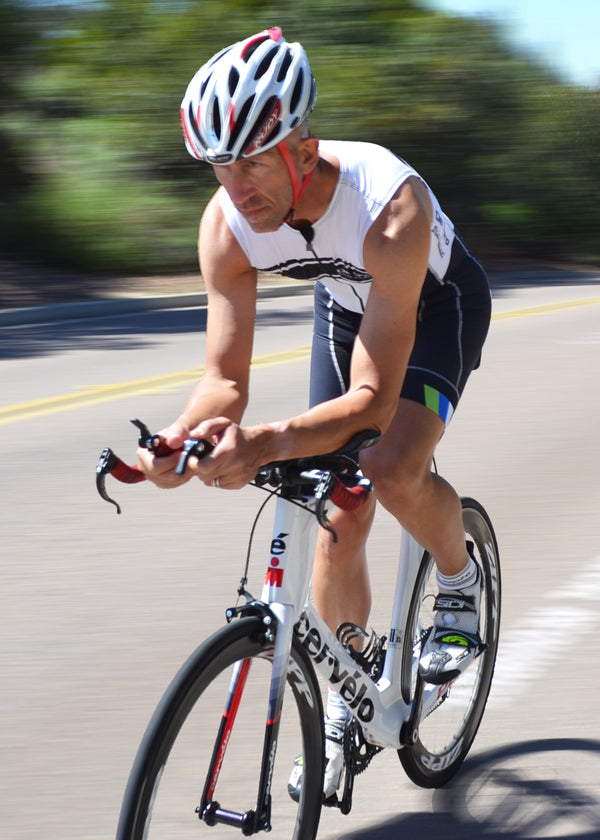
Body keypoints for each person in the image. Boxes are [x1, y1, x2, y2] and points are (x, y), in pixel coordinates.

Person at [138, 27, 492, 802]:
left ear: (302, 145)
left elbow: (369, 401)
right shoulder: (225, 224)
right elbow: (222, 380)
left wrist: (262, 442)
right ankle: (348, 691)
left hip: (435, 307)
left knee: (389, 466)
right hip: (349, 310)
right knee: (333, 505)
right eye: (219, 167)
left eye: (254, 161)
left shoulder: (388, 206)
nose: (237, 187)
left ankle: (460, 578)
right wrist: (177, 439)